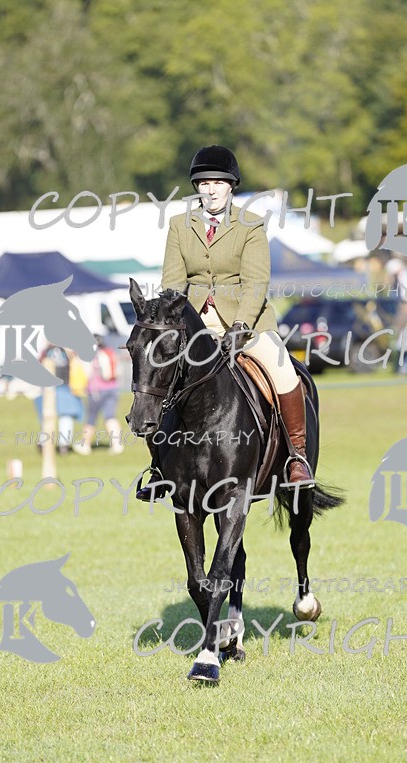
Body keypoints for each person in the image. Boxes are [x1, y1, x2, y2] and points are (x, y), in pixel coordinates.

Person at [136, 144, 314, 501]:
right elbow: (173, 284)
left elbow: (256, 283)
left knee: (284, 371)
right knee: (163, 379)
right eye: (204, 183)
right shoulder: (179, 226)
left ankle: (297, 457)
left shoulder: (250, 225)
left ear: (231, 186)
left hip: (246, 325)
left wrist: (240, 327)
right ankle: (159, 467)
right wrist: (171, 318)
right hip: (195, 325)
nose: (211, 189)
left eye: (218, 182)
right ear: (196, 187)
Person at [73, 334, 124, 455]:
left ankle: (84, 445)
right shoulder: (110, 352)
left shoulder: (92, 356)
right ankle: (117, 445)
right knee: (110, 416)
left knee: (91, 418)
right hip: (112, 389)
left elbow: (87, 373)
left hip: (96, 391)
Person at [34, 344, 84, 454]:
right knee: (64, 417)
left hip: (54, 388)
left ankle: (47, 443)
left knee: (49, 418)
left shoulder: (47, 351)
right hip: (62, 388)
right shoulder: (67, 351)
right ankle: (62, 445)